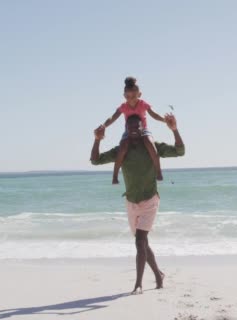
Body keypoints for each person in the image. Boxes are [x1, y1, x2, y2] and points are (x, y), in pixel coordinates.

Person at [90, 113, 185, 295]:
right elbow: (95, 160)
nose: (134, 129)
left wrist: (174, 130)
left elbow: (180, 151)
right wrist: (97, 140)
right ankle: (158, 275)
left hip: (150, 200)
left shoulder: (153, 148)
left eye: (137, 126)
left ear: (143, 128)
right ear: (126, 129)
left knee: (140, 242)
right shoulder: (121, 150)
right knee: (142, 243)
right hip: (131, 201)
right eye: (130, 126)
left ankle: (138, 285)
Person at [100, 77, 166, 184]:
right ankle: (115, 176)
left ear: (139, 94)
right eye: (128, 97)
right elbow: (113, 117)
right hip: (128, 132)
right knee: (122, 148)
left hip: (143, 130)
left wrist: (164, 120)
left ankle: (158, 172)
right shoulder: (123, 107)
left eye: (134, 96)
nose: (131, 99)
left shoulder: (143, 104)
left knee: (150, 143)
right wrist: (104, 126)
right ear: (124, 96)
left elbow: (154, 114)